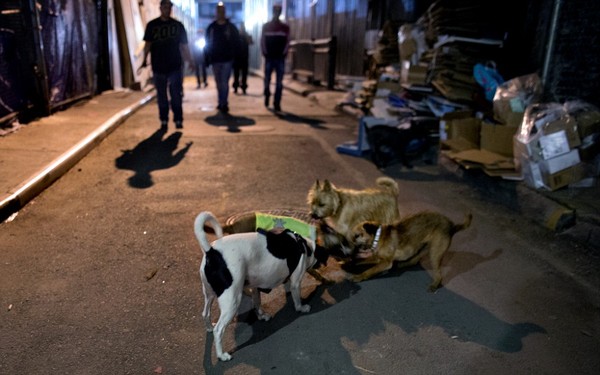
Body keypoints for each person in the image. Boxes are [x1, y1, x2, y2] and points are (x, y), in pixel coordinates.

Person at [139, 0, 193, 129]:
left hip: (174, 65)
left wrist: (190, 61)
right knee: (161, 95)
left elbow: (184, 46)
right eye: (164, 7)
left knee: (176, 94)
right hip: (158, 66)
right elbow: (147, 45)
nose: (166, 9)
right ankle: (164, 119)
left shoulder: (178, 26)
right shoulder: (152, 25)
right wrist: (144, 60)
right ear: (160, 8)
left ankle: (178, 119)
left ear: (171, 9)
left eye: (169, 7)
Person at [205, 2, 239, 114]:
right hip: (215, 59)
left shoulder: (231, 27)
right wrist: (207, 58)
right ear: (216, 12)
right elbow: (207, 43)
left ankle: (224, 103)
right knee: (218, 82)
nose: (220, 13)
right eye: (219, 11)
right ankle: (221, 101)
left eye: (222, 11)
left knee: (224, 81)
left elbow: (237, 42)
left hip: (227, 59)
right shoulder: (212, 28)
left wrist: (235, 57)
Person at [261, 3, 290, 112]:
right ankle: (267, 94)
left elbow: (287, 41)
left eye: (279, 11)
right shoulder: (266, 26)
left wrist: (284, 54)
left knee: (279, 82)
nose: (277, 13)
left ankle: (277, 102)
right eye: (275, 11)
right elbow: (262, 40)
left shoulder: (285, 27)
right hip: (270, 57)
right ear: (273, 12)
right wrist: (265, 53)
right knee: (267, 79)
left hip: (279, 58)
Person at [232, 22, 253, 95]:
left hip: (244, 57)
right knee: (236, 74)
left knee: (244, 74)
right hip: (237, 57)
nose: (242, 28)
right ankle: (236, 87)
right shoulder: (236, 35)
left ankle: (243, 88)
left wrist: (247, 37)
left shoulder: (247, 35)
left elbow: (251, 42)